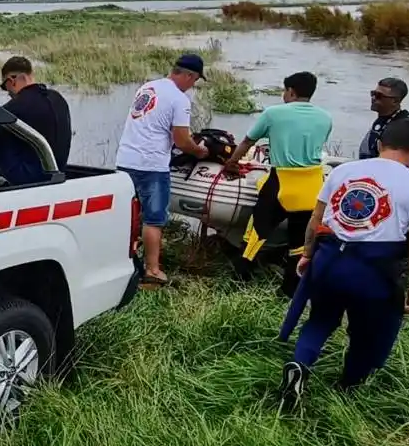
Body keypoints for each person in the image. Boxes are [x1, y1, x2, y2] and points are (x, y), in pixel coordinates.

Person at [279, 116, 409, 410]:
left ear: (379, 144)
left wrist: (308, 254)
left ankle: (299, 364)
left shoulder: (343, 172)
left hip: (329, 261)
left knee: (321, 319)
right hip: (372, 272)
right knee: (367, 332)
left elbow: (316, 220)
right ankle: (347, 387)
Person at [222, 71, 333, 296]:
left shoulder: (273, 113)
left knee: (257, 232)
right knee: (299, 240)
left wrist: (232, 162)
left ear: (291, 91)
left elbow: (248, 141)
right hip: (312, 183)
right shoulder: (325, 117)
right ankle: (289, 289)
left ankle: (239, 280)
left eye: (285, 91)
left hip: (282, 180)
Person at [115, 53, 208, 286]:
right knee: (154, 219)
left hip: (125, 160)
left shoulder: (147, 87)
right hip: (151, 166)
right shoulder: (179, 99)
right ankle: (152, 271)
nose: (192, 86)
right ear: (188, 75)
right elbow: (181, 141)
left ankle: (121, 264)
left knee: (128, 216)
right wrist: (200, 152)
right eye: (194, 80)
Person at [0, 56, 72, 186]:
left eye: (4, 86)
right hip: (58, 170)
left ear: (11, 81)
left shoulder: (16, 107)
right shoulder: (59, 99)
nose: (7, 93)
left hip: (28, 178)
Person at [360, 77, 409, 172]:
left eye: (379, 96)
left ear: (395, 101)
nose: (373, 98)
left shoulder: (403, 129)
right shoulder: (383, 121)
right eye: (373, 94)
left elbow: (402, 167)